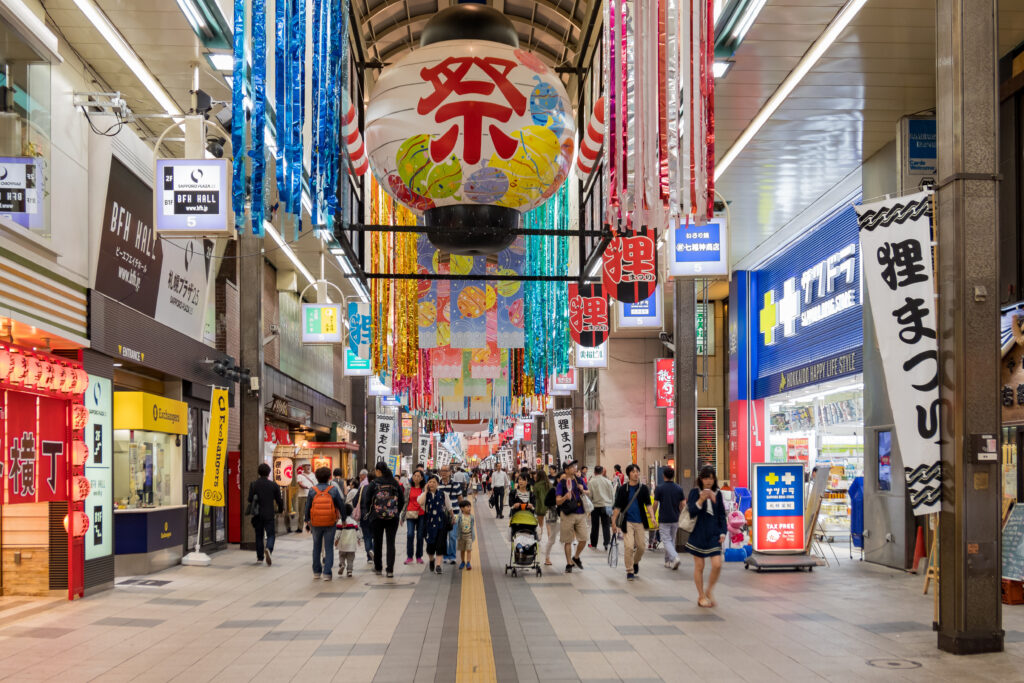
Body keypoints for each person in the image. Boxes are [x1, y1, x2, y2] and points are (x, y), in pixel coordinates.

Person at [686, 466, 728, 607]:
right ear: (701, 479)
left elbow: (721, 514)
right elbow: (691, 511)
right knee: (700, 566)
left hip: (713, 534)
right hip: (698, 533)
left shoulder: (718, 493)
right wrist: (701, 500)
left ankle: (709, 590)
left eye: (711, 478)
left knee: (717, 564)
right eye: (705, 478)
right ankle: (701, 595)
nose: (708, 481)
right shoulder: (694, 492)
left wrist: (723, 532)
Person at [611, 464, 653, 581]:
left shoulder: (643, 488)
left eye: (637, 472)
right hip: (627, 522)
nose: (636, 474)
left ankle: (635, 562)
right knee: (629, 546)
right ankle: (629, 570)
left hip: (640, 522)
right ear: (629, 474)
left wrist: (653, 517)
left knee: (641, 547)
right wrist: (613, 522)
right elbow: (618, 507)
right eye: (633, 472)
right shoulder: (623, 489)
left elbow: (648, 505)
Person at [365, 462, 405, 578]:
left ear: (378, 471)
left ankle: (378, 568)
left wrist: (371, 512)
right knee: (390, 543)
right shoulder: (394, 483)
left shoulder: (374, 483)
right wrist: (395, 511)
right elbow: (401, 500)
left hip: (377, 518)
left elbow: (367, 500)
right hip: (392, 518)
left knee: (377, 543)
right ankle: (390, 570)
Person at [304, 467, 345, 581]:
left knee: (316, 547)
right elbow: (340, 505)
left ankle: (316, 572)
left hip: (316, 522)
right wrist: (344, 518)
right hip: (330, 522)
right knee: (328, 547)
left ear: (316, 477)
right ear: (329, 477)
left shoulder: (312, 490)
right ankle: (327, 573)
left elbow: (308, 506)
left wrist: (307, 520)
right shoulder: (333, 490)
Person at [555, 460, 589, 573]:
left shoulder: (579, 480)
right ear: (566, 470)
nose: (575, 468)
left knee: (584, 538)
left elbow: (588, 492)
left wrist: (582, 489)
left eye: (575, 466)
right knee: (568, 541)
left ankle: (576, 557)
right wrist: (565, 497)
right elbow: (558, 501)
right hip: (567, 514)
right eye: (572, 466)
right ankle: (569, 563)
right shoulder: (562, 483)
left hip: (580, 513)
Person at [247, 463, 284, 566]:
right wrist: (281, 510)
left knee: (259, 535)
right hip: (269, 513)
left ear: (258, 472)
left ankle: (259, 558)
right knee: (271, 534)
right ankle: (269, 548)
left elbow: (250, 499)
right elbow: (279, 500)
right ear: (269, 473)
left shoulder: (254, 484)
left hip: (257, 514)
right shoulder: (273, 485)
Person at [653, 467, 686, 570]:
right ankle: (668, 561)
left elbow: (655, 503)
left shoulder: (659, 488)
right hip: (675, 518)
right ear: (673, 475)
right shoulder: (679, 488)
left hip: (664, 518)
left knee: (666, 540)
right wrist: (682, 514)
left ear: (663, 476)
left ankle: (675, 557)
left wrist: (653, 515)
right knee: (671, 540)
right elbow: (683, 504)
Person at [419, 475, 454, 574]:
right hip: (429, 524)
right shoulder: (425, 495)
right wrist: (425, 491)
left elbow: (449, 507)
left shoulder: (443, 494)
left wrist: (453, 517)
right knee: (430, 546)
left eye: (434, 482)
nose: (432, 484)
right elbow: (420, 502)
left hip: (441, 523)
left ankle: (438, 565)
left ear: (438, 484)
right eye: (430, 482)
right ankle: (431, 560)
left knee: (440, 544)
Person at [438, 465, 464, 565]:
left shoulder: (456, 485)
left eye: (446, 471)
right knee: (443, 536)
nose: (443, 473)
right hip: (442, 515)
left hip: (455, 514)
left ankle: (452, 556)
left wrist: (464, 511)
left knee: (452, 536)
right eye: (442, 471)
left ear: (450, 472)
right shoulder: (438, 485)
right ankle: (445, 555)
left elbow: (460, 498)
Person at [587, 465, 615, 550]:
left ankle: (594, 544)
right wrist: (611, 505)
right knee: (606, 525)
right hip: (606, 505)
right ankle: (606, 543)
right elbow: (612, 495)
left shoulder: (591, 482)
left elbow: (590, 495)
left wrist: (591, 504)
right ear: (602, 471)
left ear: (594, 472)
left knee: (595, 526)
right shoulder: (608, 481)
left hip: (595, 506)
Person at [402, 469, 427, 565]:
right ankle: (409, 556)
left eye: (418, 476)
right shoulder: (408, 488)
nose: (416, 477)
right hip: (410, 514)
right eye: (415, 475)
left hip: (421, 514)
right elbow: (405, 502)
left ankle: (419, 556)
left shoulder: (424, 489)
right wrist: (402, 516)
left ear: (421, 478)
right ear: (412, 477)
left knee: (420, 536)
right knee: (410, 534)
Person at [543, 470, 564, 566]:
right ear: (558, 479)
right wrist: (557, 502)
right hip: (554, 516)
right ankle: (547, 557)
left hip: (565, 516)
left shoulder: (567, 490)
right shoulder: (553, 490)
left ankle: (571, 559)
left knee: (569, 539)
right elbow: (546, 502)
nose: (565, 481)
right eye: (562, 479)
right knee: (552, 539)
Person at [353, 469, 374, 564]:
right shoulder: (378, 488)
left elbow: (354, 502)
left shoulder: (362, 488)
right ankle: (372, 550)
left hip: (364, 515)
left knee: (366, 536)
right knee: (375, 536)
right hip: (375, 515)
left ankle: (369, 556)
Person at [334, 503, 359, 578]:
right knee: (350, 558)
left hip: (342, 544)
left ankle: (342, 564)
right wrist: (359, 539)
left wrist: (336, 540)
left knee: (342, 555)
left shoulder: (340, 522)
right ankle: (349, 571)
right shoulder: (354, 522)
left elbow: (338, 533)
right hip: (351, 544)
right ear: (351, 512)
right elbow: (358, 532)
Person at [532, 466, 552, 542]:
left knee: (540, 524)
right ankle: (550, 538)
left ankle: (540, 536)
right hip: (549, 506)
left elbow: (535, 495)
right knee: (548, 524)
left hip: (540, 506)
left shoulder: (536, 485)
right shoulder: (549, 484)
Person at [455, 499, 476, 570]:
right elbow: (455, 522)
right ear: (462, 508)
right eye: (467, 507)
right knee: (462, 550)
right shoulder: (459, 516)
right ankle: (463, 561)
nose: (469, 508)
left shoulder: (471, 517)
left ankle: (468, 562)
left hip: (469, 536)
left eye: (470, 507)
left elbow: (472, 525)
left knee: (469, 550)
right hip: (461, 536)